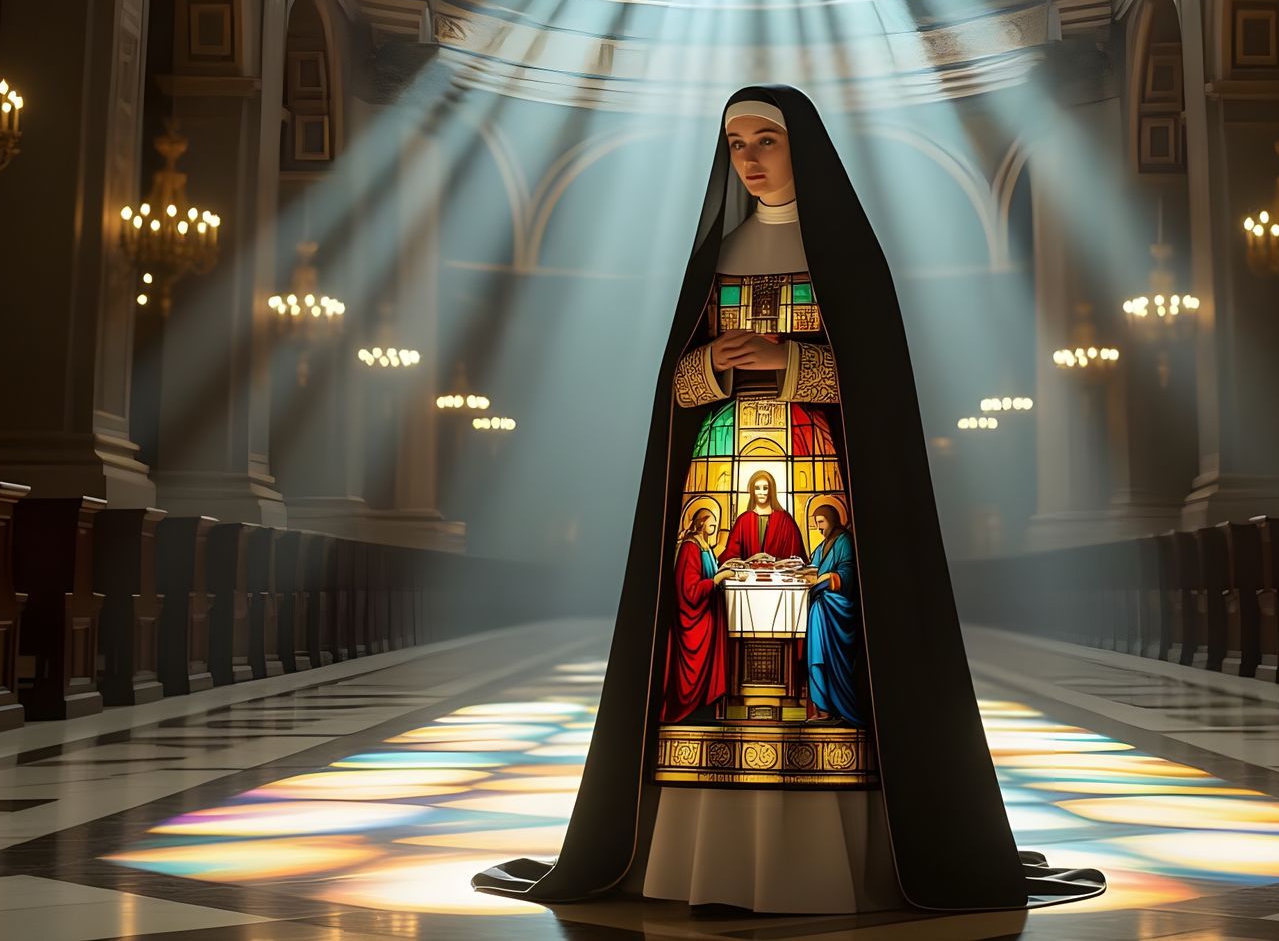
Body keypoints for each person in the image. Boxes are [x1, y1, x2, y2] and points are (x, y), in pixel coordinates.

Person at [473, 85, 1103, 914]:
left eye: (764, 138)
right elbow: (678, 387)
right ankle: (699, 859)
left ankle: (840, 860)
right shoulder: (718, 254)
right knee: (712, 675)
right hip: (716, 481)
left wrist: (788, 357)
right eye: (734, 142)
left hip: (827, 482)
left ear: (802, 145)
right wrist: (718, 371)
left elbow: (879, 390)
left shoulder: (848, 256)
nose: (748, 157)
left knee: (825, 683)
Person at [661, 506, 728, 723]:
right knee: (693, 670)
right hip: (694, 618)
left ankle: (705, 707)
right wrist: (717, 580)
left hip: (707, 613)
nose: (715, 525)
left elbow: (710, 572)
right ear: (701, 522)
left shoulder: (704, 546)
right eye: (712, 521)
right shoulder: (690, 547)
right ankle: (692, 711)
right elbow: (689, 591)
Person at [804, 503, 862, 724]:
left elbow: (848, 572)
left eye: (821, 522)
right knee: (817, 657)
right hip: (820, 608)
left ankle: (837, 708)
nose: (818, 527)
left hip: (835, 608)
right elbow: (813, 567)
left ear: (831, 519)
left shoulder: (844, 541)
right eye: (816, 523)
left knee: (831, 659)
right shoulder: (823, 545)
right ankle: (823, 710)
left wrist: (827, 578)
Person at [718, 470, 804, 562]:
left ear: (771, 490)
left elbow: (795, 556)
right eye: (757, 488)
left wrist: (774, 560)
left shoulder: (785, 520)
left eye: (765, 488)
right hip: (747, 575)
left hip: (779, 575)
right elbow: (731, 555)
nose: (761, 492)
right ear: (752, 490)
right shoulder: (743, 520)